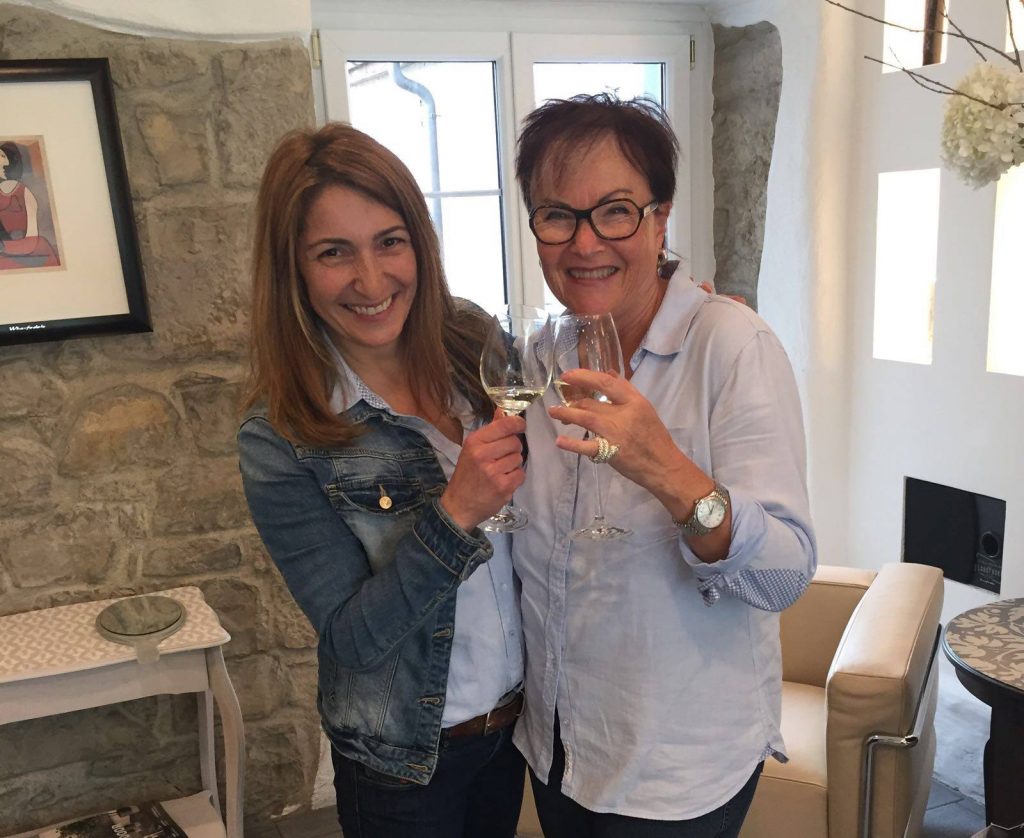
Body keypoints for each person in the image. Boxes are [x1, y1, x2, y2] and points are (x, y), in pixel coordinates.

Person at [511, 93, 817, 837]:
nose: (585, 242)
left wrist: (669, 473)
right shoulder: (541, 356)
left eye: (615, 211)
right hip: (558, 746)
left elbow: (785, 573)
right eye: (557, 215)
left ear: (660, 219)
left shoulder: (731, 347)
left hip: (676, 769)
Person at [237, 123, 528, 838]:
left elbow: (573, 379)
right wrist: (454, 515)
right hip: (402, 763)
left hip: (514, 728)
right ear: (294, 269)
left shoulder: (471, 341)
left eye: (389, 241)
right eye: (334, 253)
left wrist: (676, 310)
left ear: (420, 244)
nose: (370, 281)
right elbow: (353, 641)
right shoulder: (280, 435)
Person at [0, 141, 60, 270]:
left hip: (29, 250)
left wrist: (4, 246)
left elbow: (32, 240)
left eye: (2, 156)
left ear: (11, 161)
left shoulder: (25, 193)